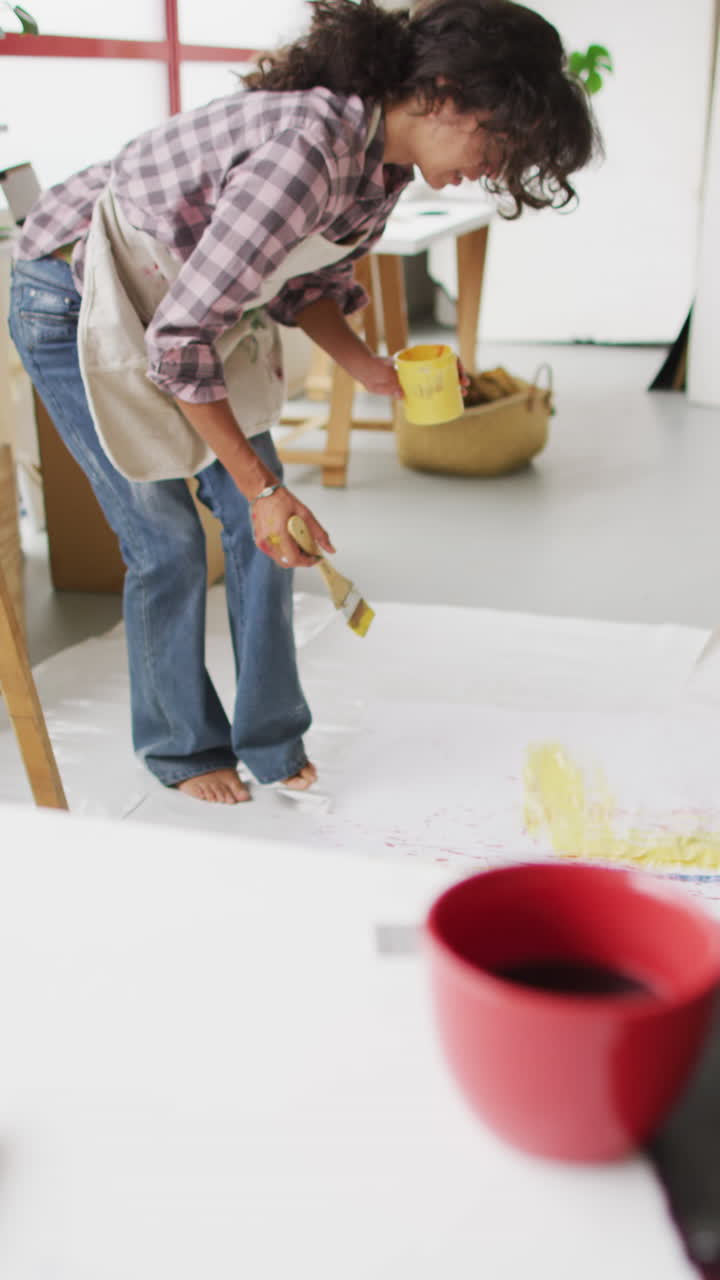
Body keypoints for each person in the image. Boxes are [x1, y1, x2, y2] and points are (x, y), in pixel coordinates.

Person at [9, 0, 600, 805]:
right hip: (76, 295)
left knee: (274, 533)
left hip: (178, 310)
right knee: (167, 540)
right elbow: (180, 340)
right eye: (499, 142)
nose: (494, 170)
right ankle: (182, 750)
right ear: (443, 90)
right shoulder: (308, 149)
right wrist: (258, 484)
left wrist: (370, 369)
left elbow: (304, 279)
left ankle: (271, 737)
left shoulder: (381, 168)